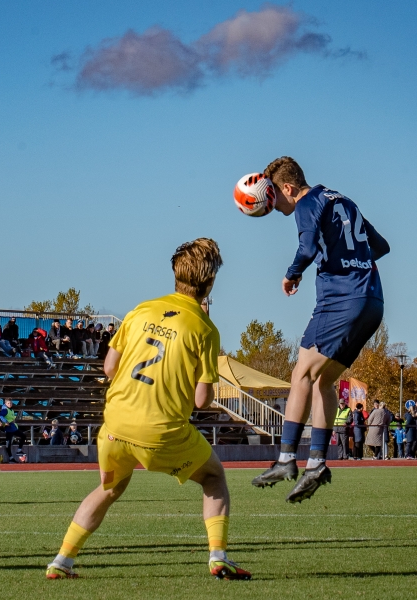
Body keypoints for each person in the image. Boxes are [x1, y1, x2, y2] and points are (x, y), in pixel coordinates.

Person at [46, 238, 250, 581]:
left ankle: (62, 561)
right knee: (214, 477)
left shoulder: (140, 310)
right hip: (161, 432)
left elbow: (110, 367)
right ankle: (218, 557)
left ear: (175, 274)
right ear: (209, 284)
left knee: (108, 489)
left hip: (114, 426)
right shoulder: (205, 329)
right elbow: (202, 401)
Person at [251, 157, 389, 501]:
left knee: (300, 375)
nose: (271, 203)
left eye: (274, 196)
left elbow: (308, 248)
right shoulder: (342, 200)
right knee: (323, 381)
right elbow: (381, 247)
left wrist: (292, 273)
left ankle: (285, 459)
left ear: (288, 187)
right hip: (373, 301)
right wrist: (351, 258)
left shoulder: (306, 203)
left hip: (341, 300)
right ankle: (316, 463)